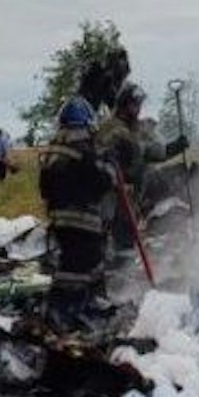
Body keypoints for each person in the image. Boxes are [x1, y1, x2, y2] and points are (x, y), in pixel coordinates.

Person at [40, 47, 130, 330]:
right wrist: (110, 170)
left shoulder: (57, 146)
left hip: (60, 219)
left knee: (73, 265)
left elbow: (44, 186)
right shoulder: (84, 149)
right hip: (82, 220)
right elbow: (99, 180)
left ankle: (76, 308)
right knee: (80, 268)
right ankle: (65, 312)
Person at [97, 84, 187, 254]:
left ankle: (121, 271)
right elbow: (97, 158)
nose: (138, 109)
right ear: (124, 104)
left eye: (139, 105)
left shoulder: (138, 131)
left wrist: (175, 147)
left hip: (131, 198)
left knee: (127, 241)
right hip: (110, 196)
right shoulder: (109, 128)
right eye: (134, 104)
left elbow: (155, 153)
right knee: (109, 237)